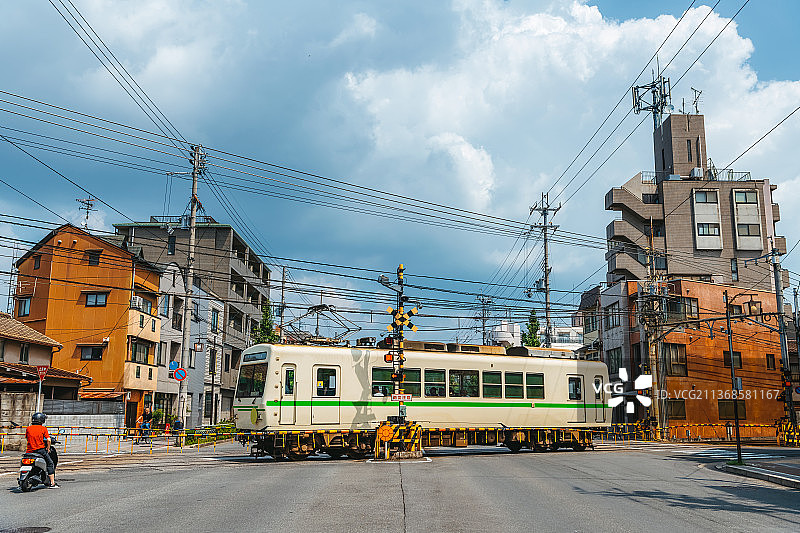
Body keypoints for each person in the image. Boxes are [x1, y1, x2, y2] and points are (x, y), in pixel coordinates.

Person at [26, 412, 58, 489]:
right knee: (50, 463)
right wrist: (48, 448)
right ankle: (52, 483)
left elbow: (27, 438)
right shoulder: (43, 428)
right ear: (41, 420)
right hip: (40, 450)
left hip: (29, 451)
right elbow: (49, 439)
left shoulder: (28, 428)